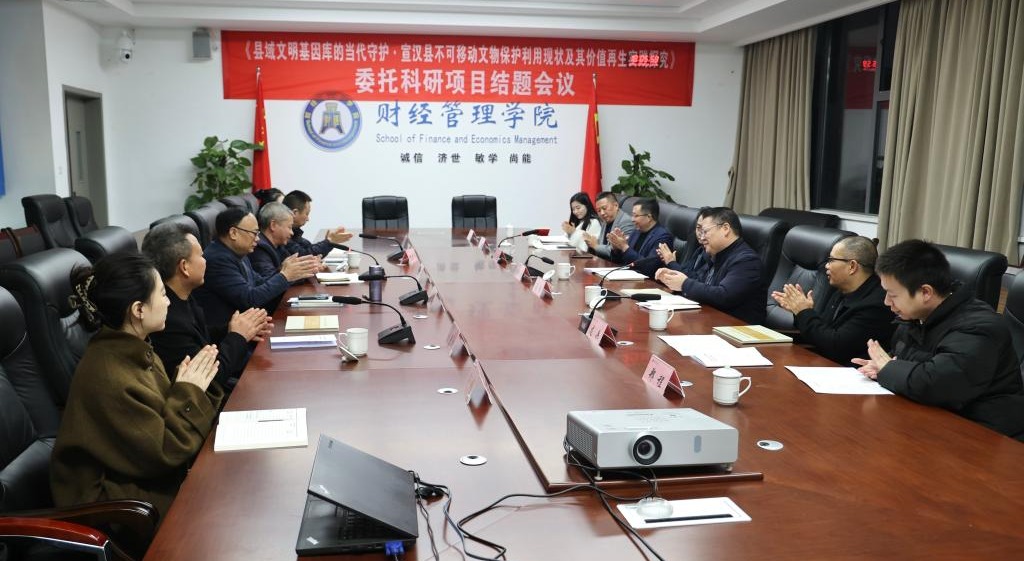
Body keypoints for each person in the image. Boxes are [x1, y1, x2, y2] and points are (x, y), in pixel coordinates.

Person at [51, 252, 223, 521]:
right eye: (162, 294)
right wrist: (189, 390)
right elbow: (165, 452)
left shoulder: (131, 346)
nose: (168, 301)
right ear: (138, 310)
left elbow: (158, 416)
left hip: (139, 476)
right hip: (115, 506)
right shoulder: (109, 375)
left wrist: (188, 384)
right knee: (220, 505)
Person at [852, 240, 1024, 440]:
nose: (887, 302)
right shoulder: (914, 317)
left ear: (925, 292)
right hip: (934, 419)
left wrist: (888, 368)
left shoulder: (979, 327)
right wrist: (883, 367)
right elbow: (903, 361)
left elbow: (938, 384)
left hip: (985, 435)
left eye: (893, 295)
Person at [142, 222, 272, 389]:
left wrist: (236, 328)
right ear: (184, 267)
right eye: (201, 256)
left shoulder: (182, 295)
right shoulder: (166, 319)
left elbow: (201, 337)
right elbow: (209, 379)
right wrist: (237, 337)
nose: (205, 261)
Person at [770, 236, 895, 365]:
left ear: (852, 266)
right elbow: (822, 333)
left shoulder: (876, 304)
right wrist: (799, 312)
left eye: (831, 260)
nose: (826, 266)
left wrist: (804, 312)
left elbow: (835, 346)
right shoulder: (841, 290)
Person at [193, 206, 318, 327]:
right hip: (227, 334)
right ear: (233, 233)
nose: (258, 239)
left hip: (250, 326)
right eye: (254, 233)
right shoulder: (218, 260)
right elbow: (250, 300)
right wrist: (285, 276)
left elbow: (260, 282)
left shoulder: (237, 252)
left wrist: (286, 272)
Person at [654, 207, 765, 324]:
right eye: (700, 232)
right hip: (711, 320)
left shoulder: (747, 260)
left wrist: (684, 284)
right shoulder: (718, 254)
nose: (701, 238)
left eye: (705, 232)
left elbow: (724, 296)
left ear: (725, 229)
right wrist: (673, 276)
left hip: (737, 328)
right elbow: (701, 283)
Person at [249, 202, 320, 280]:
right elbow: (270, 279)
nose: (292, 233)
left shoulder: (279, 245)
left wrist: (309, 267)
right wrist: (304, 272)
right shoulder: (259, 247)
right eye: (289, 227)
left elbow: (292, 269)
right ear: (273, 225)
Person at [606, 198, 673, 278]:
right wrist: (616, 248)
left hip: (648, 282)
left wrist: (624, 247)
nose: (632, 219)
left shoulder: (663, 237)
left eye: (636, 216)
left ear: (649, 217)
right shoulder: (636, 232)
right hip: (628, 277)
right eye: (632, 215)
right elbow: (622, 262)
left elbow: (649, 268)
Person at [283, 189, 353, 258]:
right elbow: (304, 255)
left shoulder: (296, 233)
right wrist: (329, 241)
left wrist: (328, 242)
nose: (308, 219)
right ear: (295, 213)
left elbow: (309, 249)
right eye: (307, 214)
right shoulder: (284, 235)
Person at [582, 192, 635, 259]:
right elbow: (603, 244)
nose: (602, 213)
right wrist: (591, 241)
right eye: (598, 210)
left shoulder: (626, 222)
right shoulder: (606, 220)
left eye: (604, 208)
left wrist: (595, 246)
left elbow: (619, 251)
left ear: (616, 205)